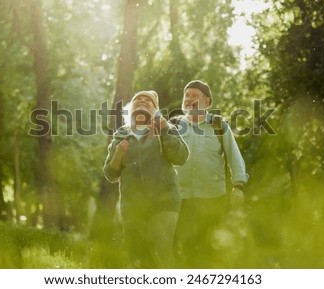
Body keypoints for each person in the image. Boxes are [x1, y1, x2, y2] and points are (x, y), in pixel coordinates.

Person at [103, 90, 189, 268]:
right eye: (138, 100)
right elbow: (110, 174)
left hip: (164, 201)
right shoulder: (121, 134)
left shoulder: (165, 128)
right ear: (130, 109)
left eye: (148, 101)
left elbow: (180, 157)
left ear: (155, 109)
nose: (142, 101)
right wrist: (119, 153)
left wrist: (164, 129)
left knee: (159, 250)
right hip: (133, 205)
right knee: (137, 257)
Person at [172, 80, 249, 266]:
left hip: (211, 197)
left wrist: (238, 185)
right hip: (178, 198)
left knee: (208, 249)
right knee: (179, 249)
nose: (189, 99)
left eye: (195, 95)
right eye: (187, 95)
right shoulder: (173, 125)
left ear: (207, 102)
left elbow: (234, 155)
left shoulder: (218, 125)